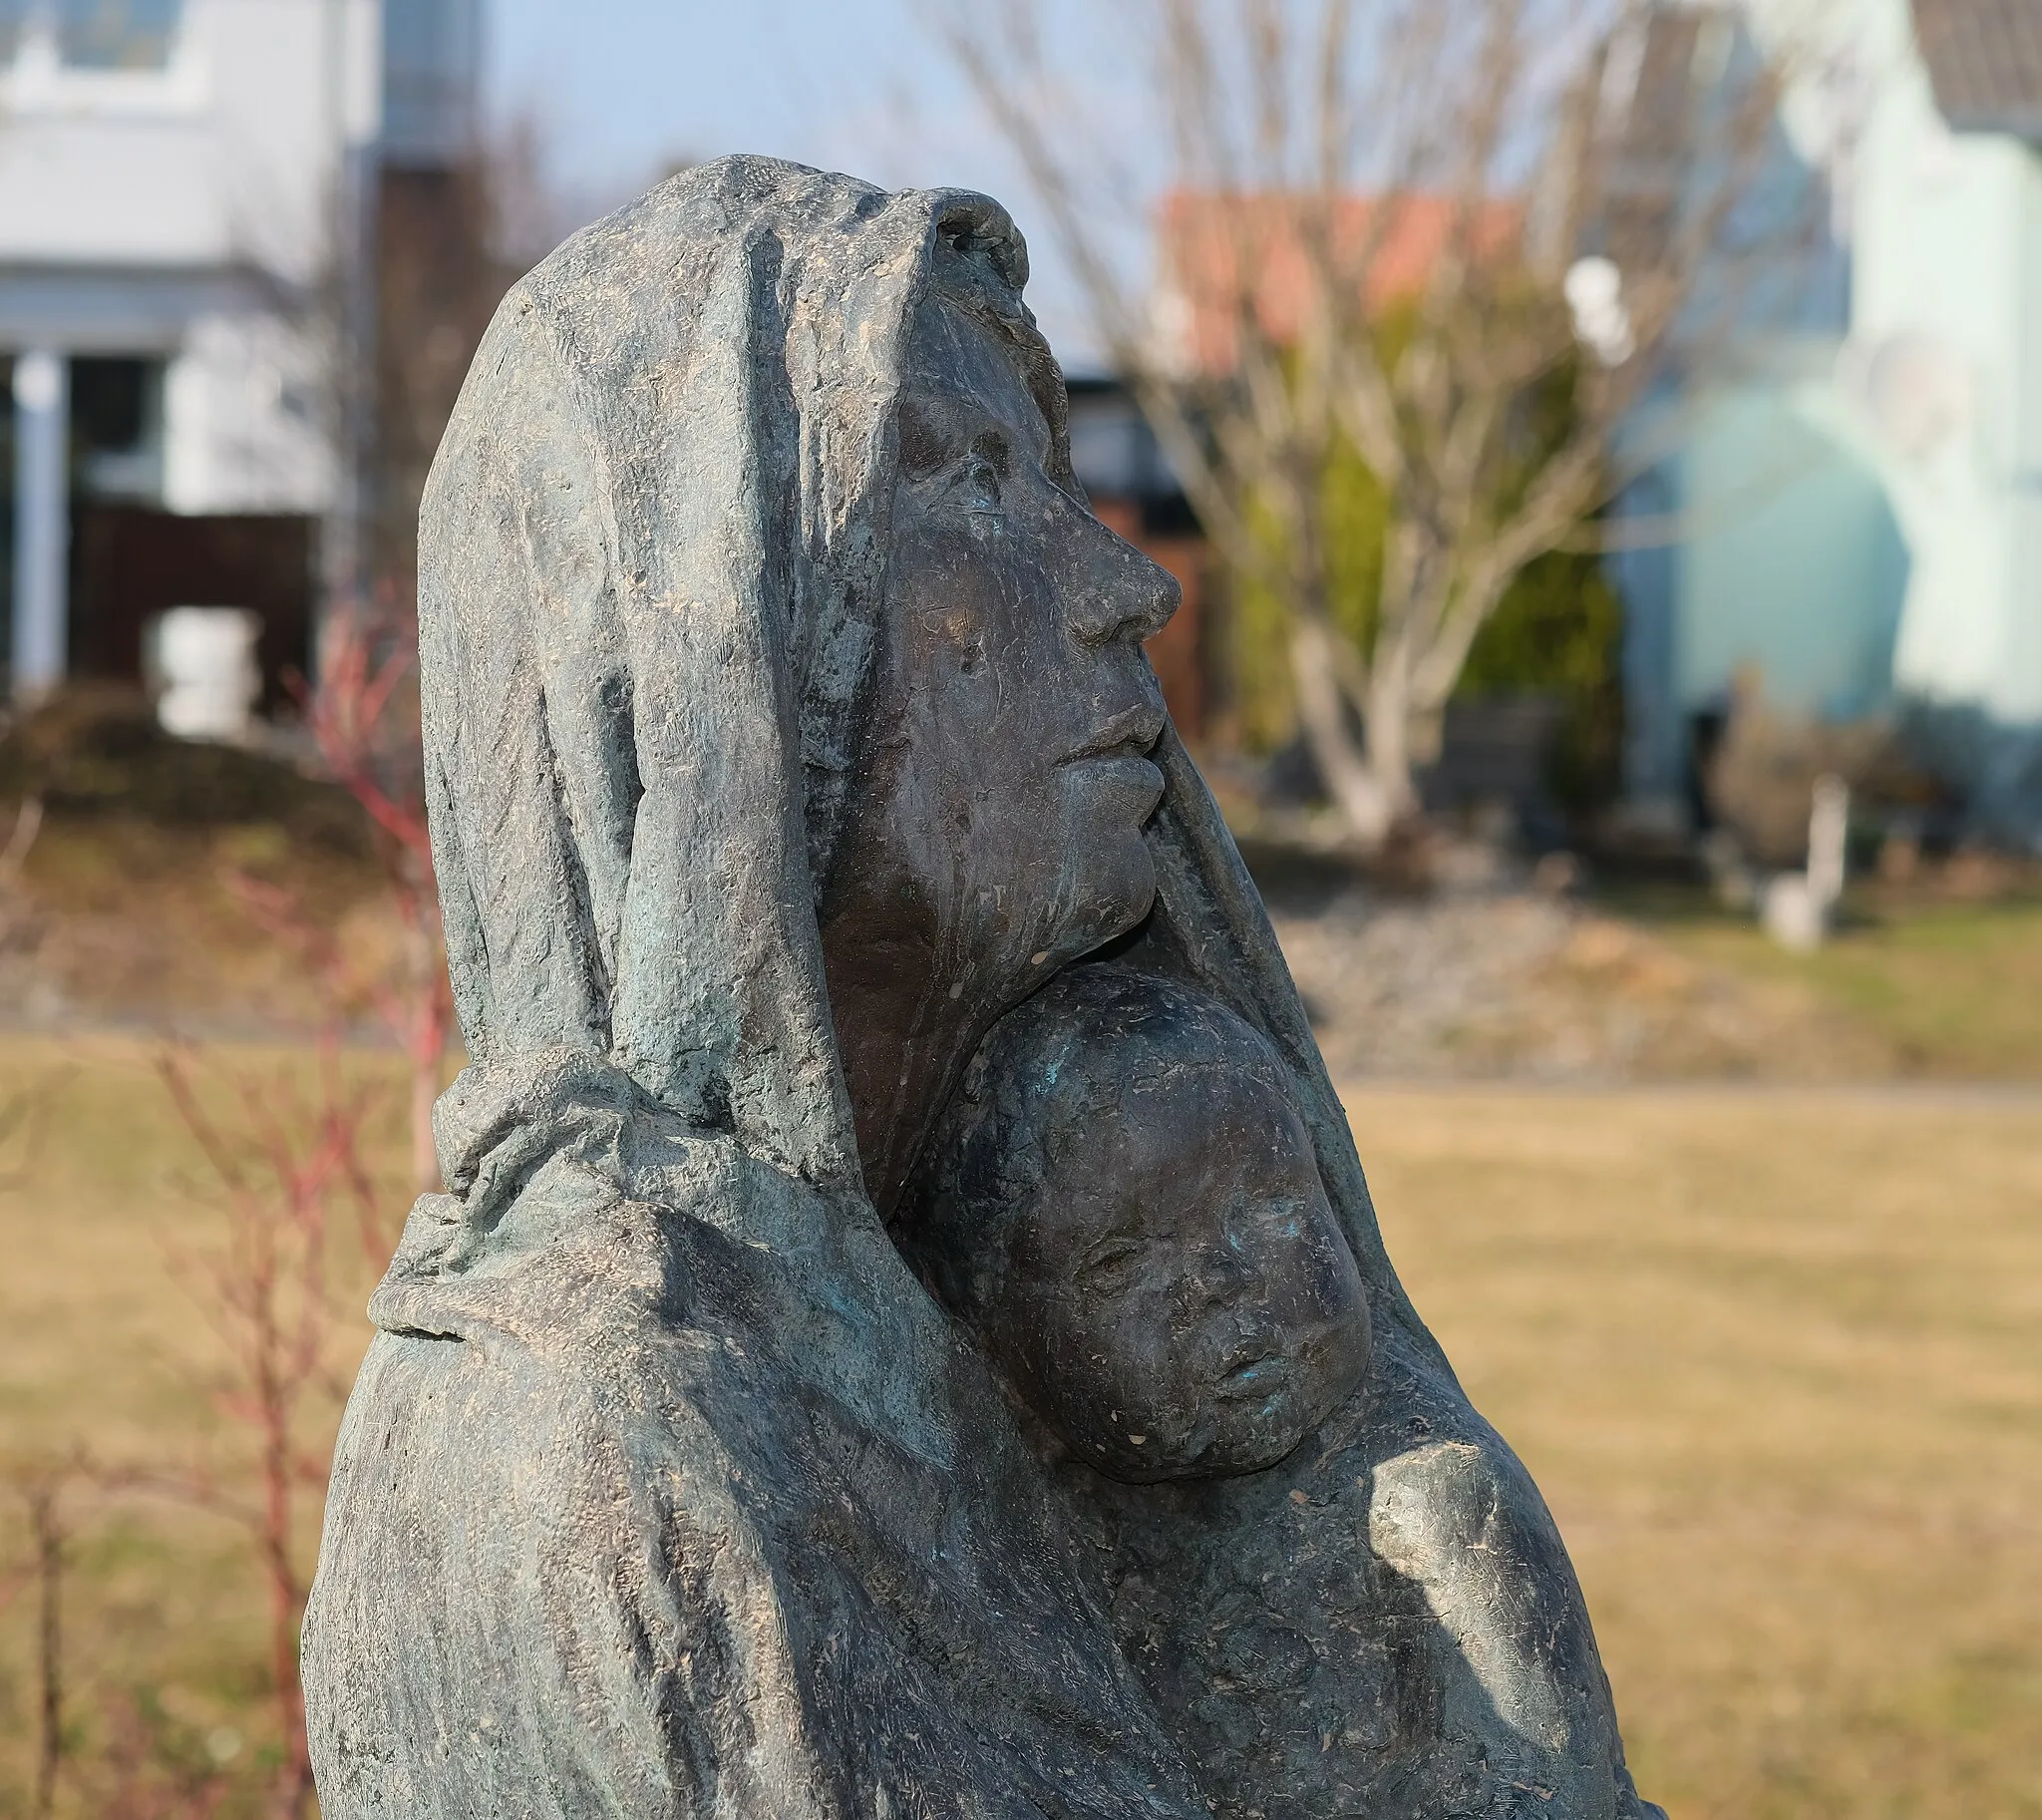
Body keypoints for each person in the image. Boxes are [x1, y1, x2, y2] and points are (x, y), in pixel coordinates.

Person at [301, 154, 1656, 1820]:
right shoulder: (607, 1447)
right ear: (717, 646)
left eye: (1053, 483)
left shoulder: (1103, 1258)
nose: (1123, 587)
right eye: (964, 482)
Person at [906, 964, 1666, 1820]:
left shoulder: (1438, 1511)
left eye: (1269, 1206)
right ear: (998, 1337)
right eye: (1127, 1262)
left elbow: (1544, 1794)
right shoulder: (1016, 1556)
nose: (1228, 1279)